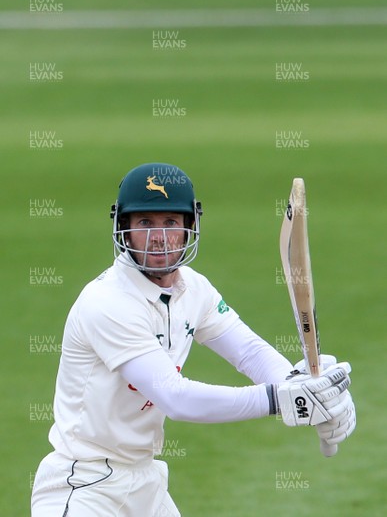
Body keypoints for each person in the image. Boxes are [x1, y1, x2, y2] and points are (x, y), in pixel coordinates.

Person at [31, 163, 355, 517]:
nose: (159, 236)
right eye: (145, 224)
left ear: (190, 228)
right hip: (85, 486)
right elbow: (176, 398)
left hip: (146, 483)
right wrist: (280, 399)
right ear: (124, 229)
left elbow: (248, 352)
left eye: (171, 223)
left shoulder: (193, 289)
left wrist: (303, 385)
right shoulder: (107, 303)